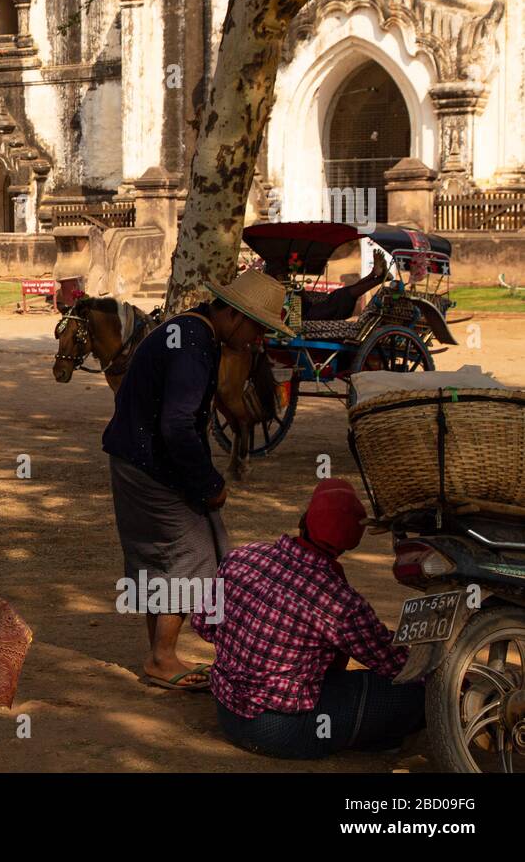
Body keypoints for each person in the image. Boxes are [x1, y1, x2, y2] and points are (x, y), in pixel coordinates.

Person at [102, 270, 293, 691]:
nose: (256, 340)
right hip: (151, 463)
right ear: (235, 316)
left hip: (135, 458)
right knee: (194, 555)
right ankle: (162, 657)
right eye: (257, 328)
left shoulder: (189, 330)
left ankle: (158, 653)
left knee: (157, 557)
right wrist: (208, 484)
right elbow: (177, 425)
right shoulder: (194, 344)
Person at [191, 478, 425, 758]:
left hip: (227, 712)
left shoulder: (241, 557)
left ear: (305, 518)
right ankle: (374, 738)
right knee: (416, 694)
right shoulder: (337, 600)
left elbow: (204, 625)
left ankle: (365, 737)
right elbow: (395, 662)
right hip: (282, 730)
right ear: (350, 542)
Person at [267, 254, 388, 321]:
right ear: (275, 276)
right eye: (282, 275)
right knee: (342, 295)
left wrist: (296, 288)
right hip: (309, 317)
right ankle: (379, 278)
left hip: (314, 311)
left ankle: (375, 275)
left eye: (285, 274)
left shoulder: (287, 286)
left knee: (340, 294)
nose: (285, 277)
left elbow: (303, 300)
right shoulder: (275, 292)